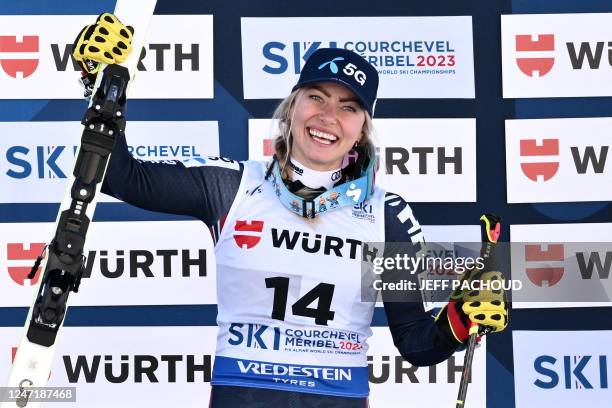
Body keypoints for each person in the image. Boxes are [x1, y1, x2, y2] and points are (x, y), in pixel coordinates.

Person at [72, 13, 508, 408]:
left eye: (348, 107)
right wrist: (103, 85)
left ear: (362, 129)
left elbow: (415, 341)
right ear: (292, 107)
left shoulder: (384, 212)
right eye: (316, 98)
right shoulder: (233, 184)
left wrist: (461, 317)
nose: (328, 116)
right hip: (243, 394)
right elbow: (120, 177)